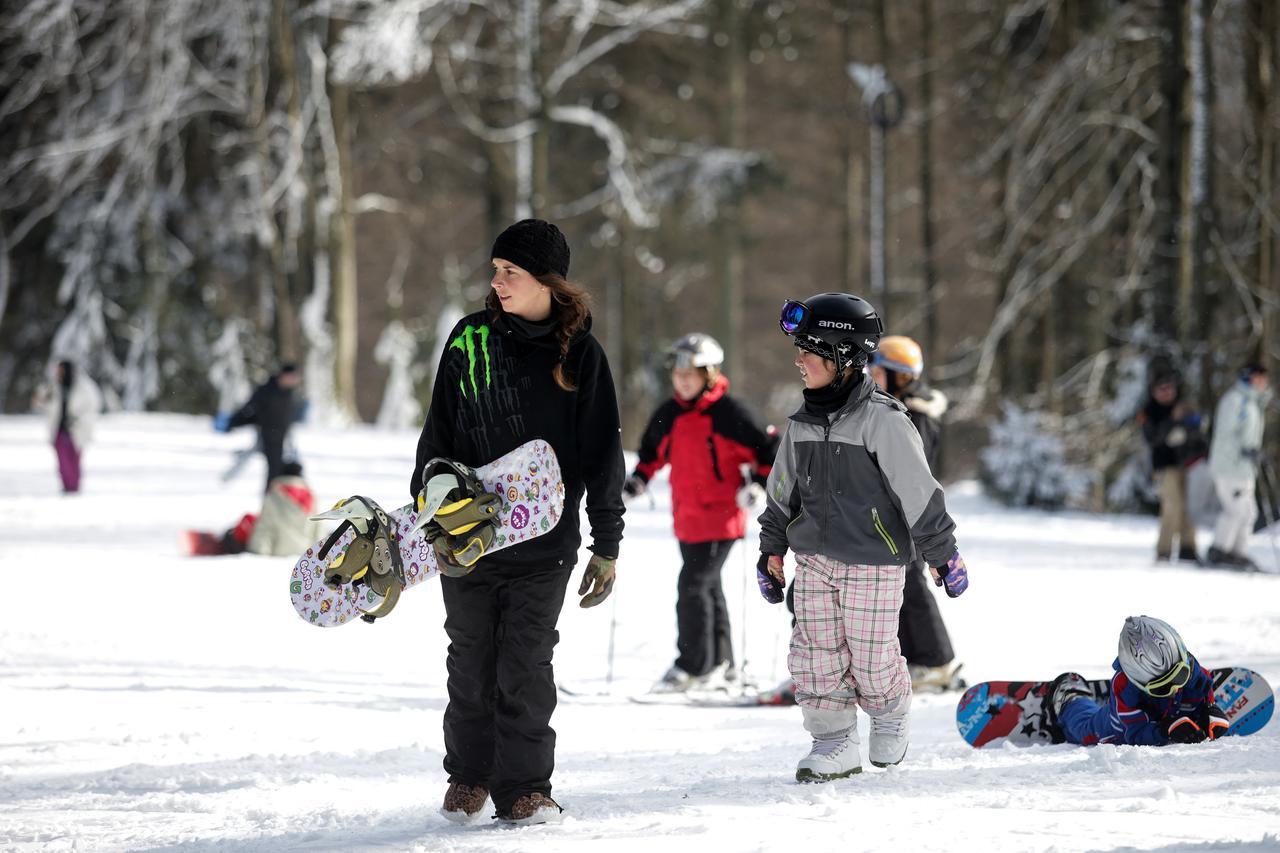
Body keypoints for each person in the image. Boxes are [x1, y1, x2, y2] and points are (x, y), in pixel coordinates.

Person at [412, 219, 625, 825]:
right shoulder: (468, 339)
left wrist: (606, 543)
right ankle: (469, 777)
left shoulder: (579, 353)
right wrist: (429, 493)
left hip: (545, 543)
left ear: (547, 283)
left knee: (525, 665)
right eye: (496, 271)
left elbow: (602, 454)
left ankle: (525, 788)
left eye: (512, 272)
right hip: (467, 540)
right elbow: (438, 432)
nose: (497, 282)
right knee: (470, 659)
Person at [756, 292, 968, 782]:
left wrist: (943, 553)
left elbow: (919, 493)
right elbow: (781, 492)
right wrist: (771, 548)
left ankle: (890, 712)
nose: (799, 361)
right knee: (814, 655)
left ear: (841, 355)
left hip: (874, 559)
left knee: (872, 657)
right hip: (813, 559)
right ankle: (833, 743)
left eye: (808, 351)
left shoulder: (885, 420)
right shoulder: (801, 424)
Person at [624, 333, 777, 692]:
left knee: (692, 586)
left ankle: (693, 666)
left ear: (709, 373)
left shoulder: (731, 413)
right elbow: (650, 456)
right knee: (708, 589)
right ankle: (722, 662)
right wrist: (637, 483)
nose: (682, 380)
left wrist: (756, 484)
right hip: (687, 518)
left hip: (723, 518)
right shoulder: (670, 413)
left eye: (690, 373)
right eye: (677, 374)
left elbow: (771, 450)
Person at [868, 335, 963, 693]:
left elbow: (911, 472)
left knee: (911, 584)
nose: (871, 376)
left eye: (879, 371)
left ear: (900, 376)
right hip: (893, 511)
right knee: (902, 587)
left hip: (908, 513)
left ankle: (937, 661)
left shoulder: (915, 416)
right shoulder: (895, 409)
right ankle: (916, 659)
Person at [1048, 616, 1228, 746]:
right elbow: (1133, 734)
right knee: (1085, 730)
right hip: (1120, 727)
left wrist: (1209, 712)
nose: (1174, 689)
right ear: (1139, 683)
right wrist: (1164, 732)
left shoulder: (1191, 668)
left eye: (1179, 676)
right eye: (1162, 687)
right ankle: (1071, 699)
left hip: (1167, 711)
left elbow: (1204, 693)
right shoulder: (1124, 687)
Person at [1136, 370, 1207, 564]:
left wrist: (1185, 430)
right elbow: (1152, 439)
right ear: (1154, 391)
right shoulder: (1149, 412)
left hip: (1188, 464)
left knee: (1190, 507)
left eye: (1169, 388)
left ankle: (1188, 548)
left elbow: (1198, 433)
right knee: (1172, 507)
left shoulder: (1185, 407)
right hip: (1165, 468)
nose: (1166, 392)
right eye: (1162, 389)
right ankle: (1164, 550)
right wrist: (1172, 422)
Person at [1206, 363, 1270, 569]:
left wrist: (1253, 452)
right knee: (1235, 509)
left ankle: (1237, 552)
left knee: (1249, 511)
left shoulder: (1252, 403)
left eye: (1264, 378)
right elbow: (1224, 435)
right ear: (1247, 378)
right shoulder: (1234, 400)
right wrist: (1244, 449)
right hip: (1229, 467)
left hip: (1243, 468)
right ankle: (1219, 550)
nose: (1262, 382)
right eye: (1257, 377)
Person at [217, 364, 305, 492]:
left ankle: (282, 495)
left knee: (288, 467)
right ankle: (270, 495)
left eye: (295, 378)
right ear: (283, 376)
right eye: (291, 377)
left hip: (283, 435)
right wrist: (232, 422)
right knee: (273, 467)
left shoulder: (290, 393)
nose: (293, 381)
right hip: (268, 434)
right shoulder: (267, 390)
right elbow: (249, 410)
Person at [216, 462, 324, 556]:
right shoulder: (312, 497)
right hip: (304, 553)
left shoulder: (275, 495)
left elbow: (264, 528)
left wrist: (258, 552)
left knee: (243, 526)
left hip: (277, 551)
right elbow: (319, 529)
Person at [32, 359, 101, 494]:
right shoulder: (53, 386)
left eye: (61, 369)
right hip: (59, 429)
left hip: (76, 429)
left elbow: (92, 405)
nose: (59, 372)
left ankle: (74, 487)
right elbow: (41, 401)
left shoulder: (83, 387)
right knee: (62, 460)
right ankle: (67, 485)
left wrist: (78, 418)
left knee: (74, 460)